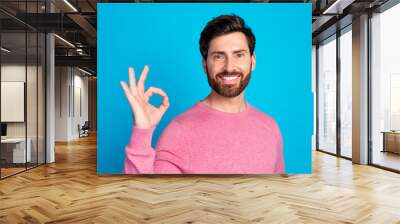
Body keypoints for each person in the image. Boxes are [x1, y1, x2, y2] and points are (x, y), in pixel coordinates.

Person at [120, 14, 285, 174]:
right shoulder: (179, 131)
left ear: (252, 61)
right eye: (219, 56)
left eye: (239, 55)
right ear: (205, 65)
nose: (229, 66)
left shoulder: (270, 127)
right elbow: (146, 196)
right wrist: (142, 133)